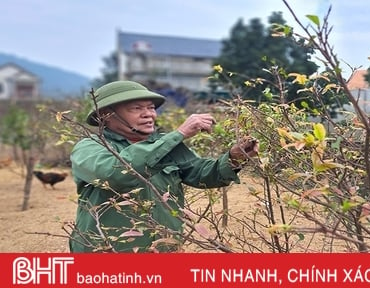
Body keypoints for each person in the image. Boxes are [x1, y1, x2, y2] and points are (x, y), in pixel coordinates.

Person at [69, 80, 258, 252]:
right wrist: (179, 133)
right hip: (107, 252)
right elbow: (116, 173)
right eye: (136, 108)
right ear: (106, 116)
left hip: (163, 249)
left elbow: (202, 174)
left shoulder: (165, 144)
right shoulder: (90, 147)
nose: (149, 114)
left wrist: (233, 158)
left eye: (151, 108)